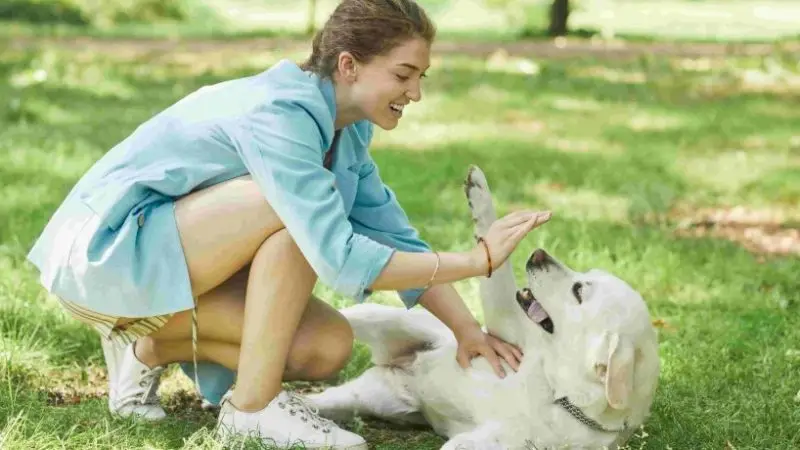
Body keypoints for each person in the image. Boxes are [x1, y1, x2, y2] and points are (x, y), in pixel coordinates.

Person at [26, 0, 552, 448]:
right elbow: (339, 257)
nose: (415, 92)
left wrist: (465, 331)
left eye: (421, 77)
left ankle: (148, 347)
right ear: (348, 65)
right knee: (296, 215)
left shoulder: (345, 133)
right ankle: (251, 410)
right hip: (107, 256)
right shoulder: (282, 113)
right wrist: (475, 262)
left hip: (171, 262)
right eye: (403, 74)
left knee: (324, 346)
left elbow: (392, 236)